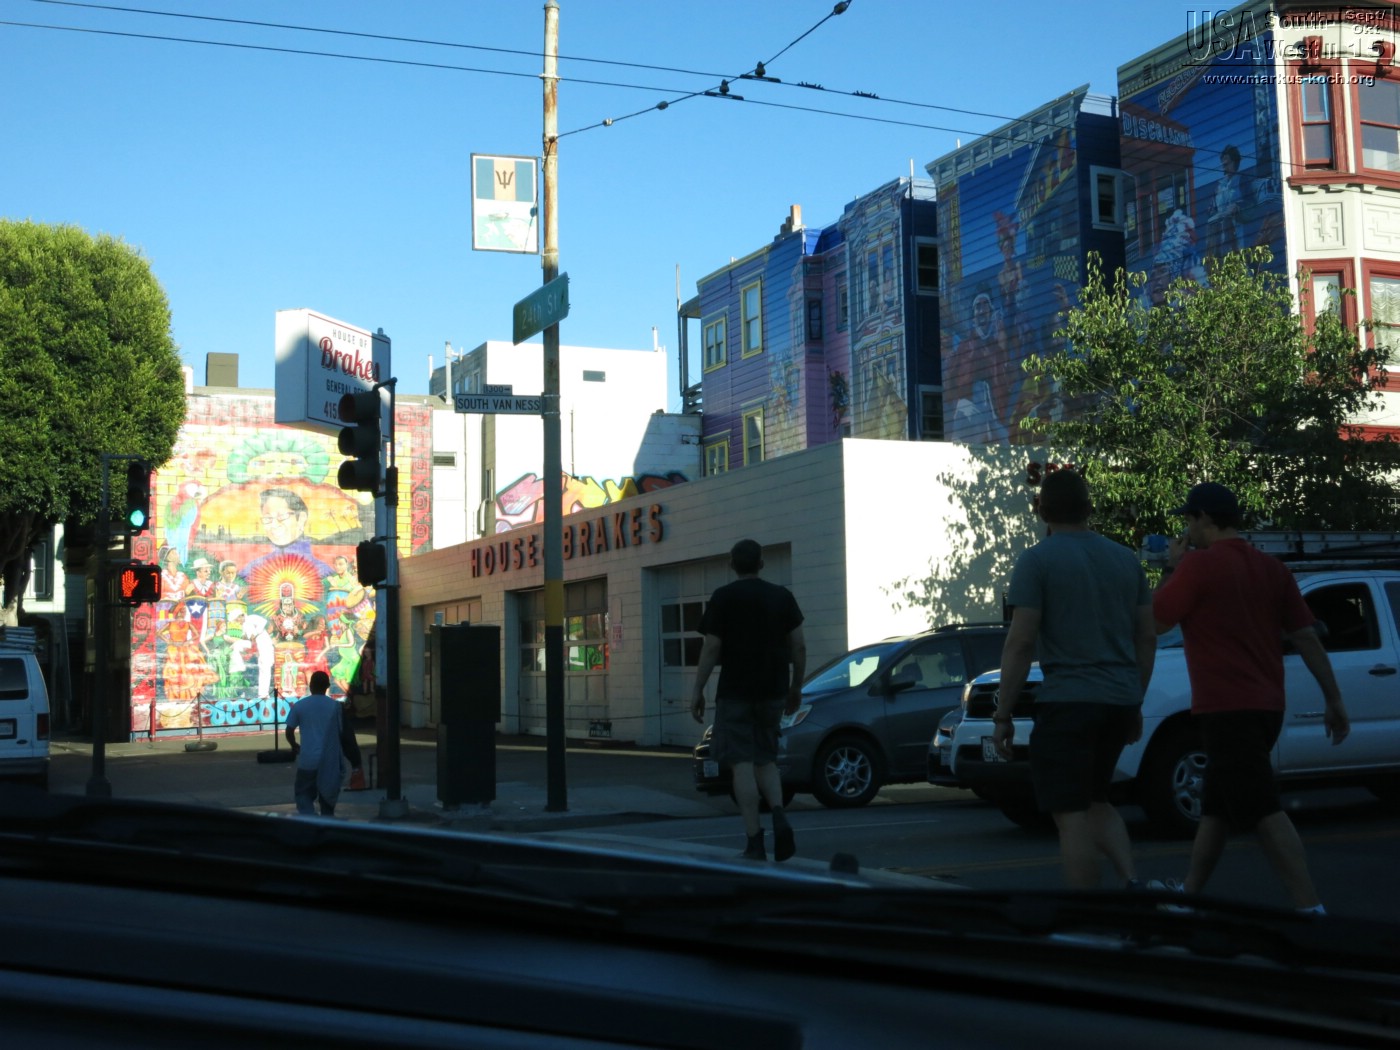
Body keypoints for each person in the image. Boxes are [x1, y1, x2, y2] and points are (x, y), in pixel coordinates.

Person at [1152, 482, 1350, 915]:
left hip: (1227, 708)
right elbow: (1306, 637)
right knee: (1217, 808)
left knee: (1262, 808)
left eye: (1189, 519)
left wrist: (1171, 567)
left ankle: (1310, 908)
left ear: (1205, 518)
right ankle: (1189, 896)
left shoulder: (1198, 566)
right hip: (1267, 707)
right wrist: (1334, 699)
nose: (1187, 529)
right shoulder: (1272, 569)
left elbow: (1155, 621)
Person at [991, 469, 1156, 889]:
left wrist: (1003, 715)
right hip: (1119, 701)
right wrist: (1135, 701)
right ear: (1089, 508)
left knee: (1070, 814)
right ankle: (1133, 884)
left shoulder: (1036, 560)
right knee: (1097, 799)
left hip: (1068, 703)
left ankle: (1088, 912)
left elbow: (1021, 643)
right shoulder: (1126, 560)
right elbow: (1146, 637)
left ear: (1041, 510)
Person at [690, 539, 806, 862]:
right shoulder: (782, 597)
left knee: (741, 764)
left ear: (732, 565)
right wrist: (795, 687)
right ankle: (779, 813)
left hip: (735, 693)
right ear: (761, 563)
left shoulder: (723, 598)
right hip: (773, 691)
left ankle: (755, 840)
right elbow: (798, 646)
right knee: (765, 759)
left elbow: (712, 647)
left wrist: (698, 689)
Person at [285, 670, 362, 816]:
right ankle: (326, 822)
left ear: (310, 685)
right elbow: (347, 736)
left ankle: (309, 820)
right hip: (330, 761)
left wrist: (295, 746)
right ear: (327, 686)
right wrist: (355, 762)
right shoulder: (336, 707)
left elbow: (289, 731)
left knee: (303, 794)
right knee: (327, 800)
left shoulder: (300, 706)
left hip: (307, 760)